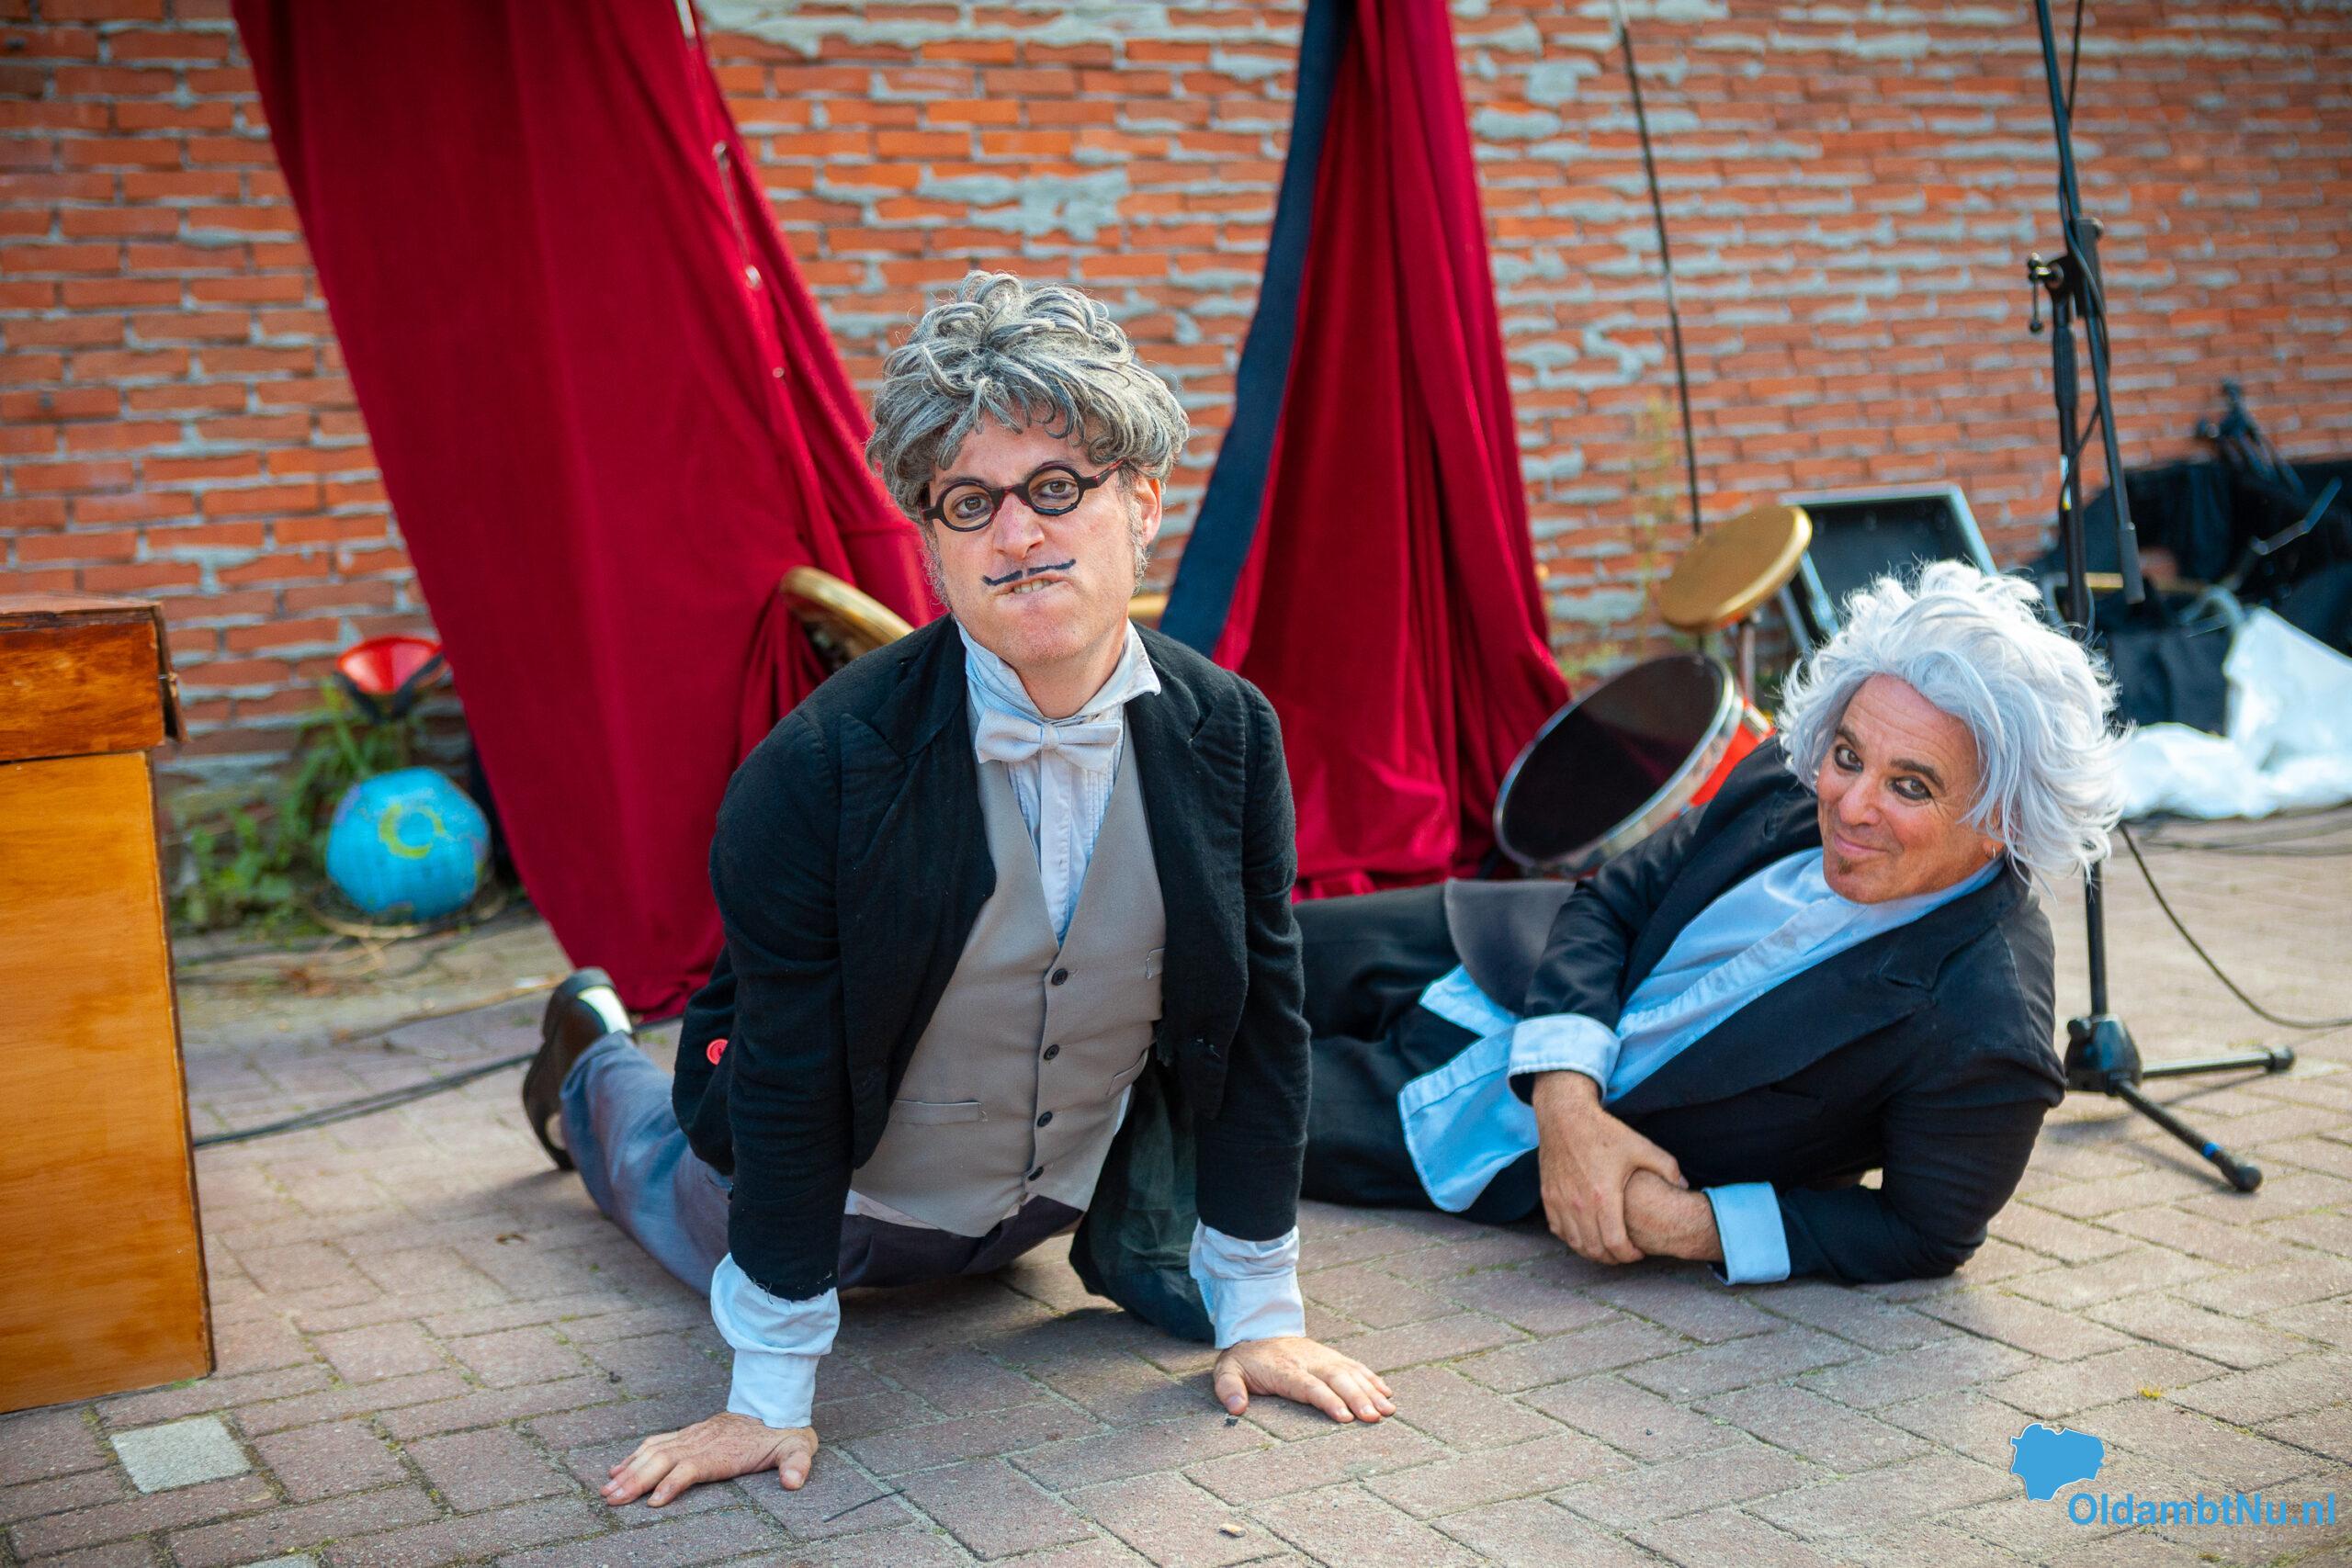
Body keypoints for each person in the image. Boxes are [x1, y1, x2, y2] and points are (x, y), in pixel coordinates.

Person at [517, 272, 1390, 1510]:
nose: (1017, 536)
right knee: (652, 1156)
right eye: (970, 503)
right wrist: (767, 1393)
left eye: (1056, 487)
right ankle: (588, 1053)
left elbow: (1258, 1021)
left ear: (1142, 501)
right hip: (831, 1204)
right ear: (931, 544)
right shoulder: (817, 770)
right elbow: (788, 1076)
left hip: (1045, 1208)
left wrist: (1261, 1316)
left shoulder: (1230, 733)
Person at [1298, 562, 2123, 1286]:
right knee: (1233, 953)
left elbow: (1923, 1231)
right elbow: (1612, 898)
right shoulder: (1788, 776)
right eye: (1848, 756)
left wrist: (1686, 1225)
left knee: (1230, 1099)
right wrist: (1567, 1102)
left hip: (1482, 1132)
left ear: (2004, 818)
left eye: (1911, 786)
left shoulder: (1989, 1028)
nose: (1849, 805)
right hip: (1491, 949)